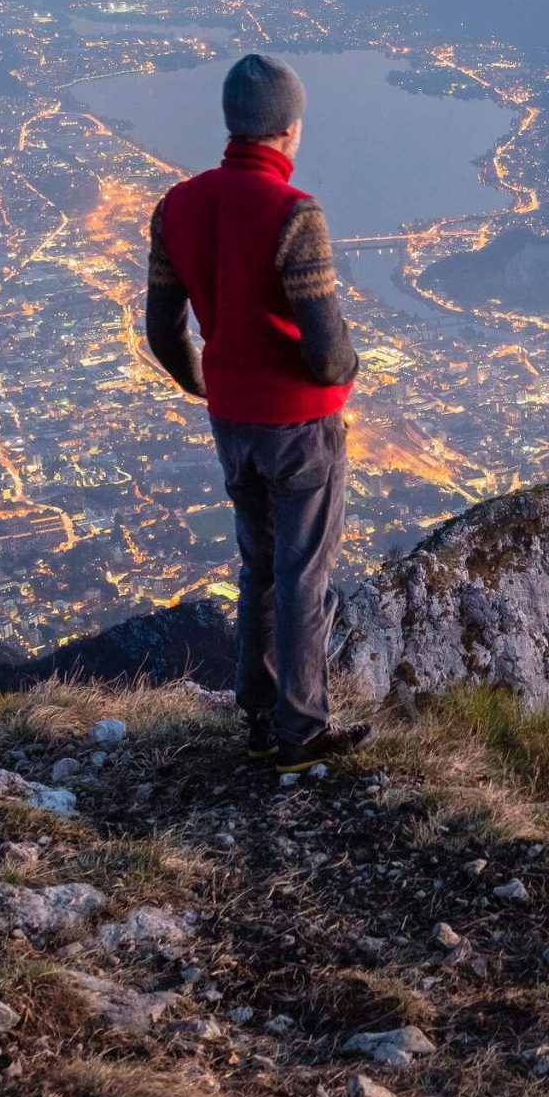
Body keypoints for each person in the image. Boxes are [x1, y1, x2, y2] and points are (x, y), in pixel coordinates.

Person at [142, 53, 368, 775]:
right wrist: (348, 372)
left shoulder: (177, 206)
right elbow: (328, 348)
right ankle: (302, 734)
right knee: (306, 572)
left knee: (259, 566)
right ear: (289, 129)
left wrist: (207, 386)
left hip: (232, 420)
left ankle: (258, 718)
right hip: (301, 425)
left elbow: (162, 329)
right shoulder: (294, 214)